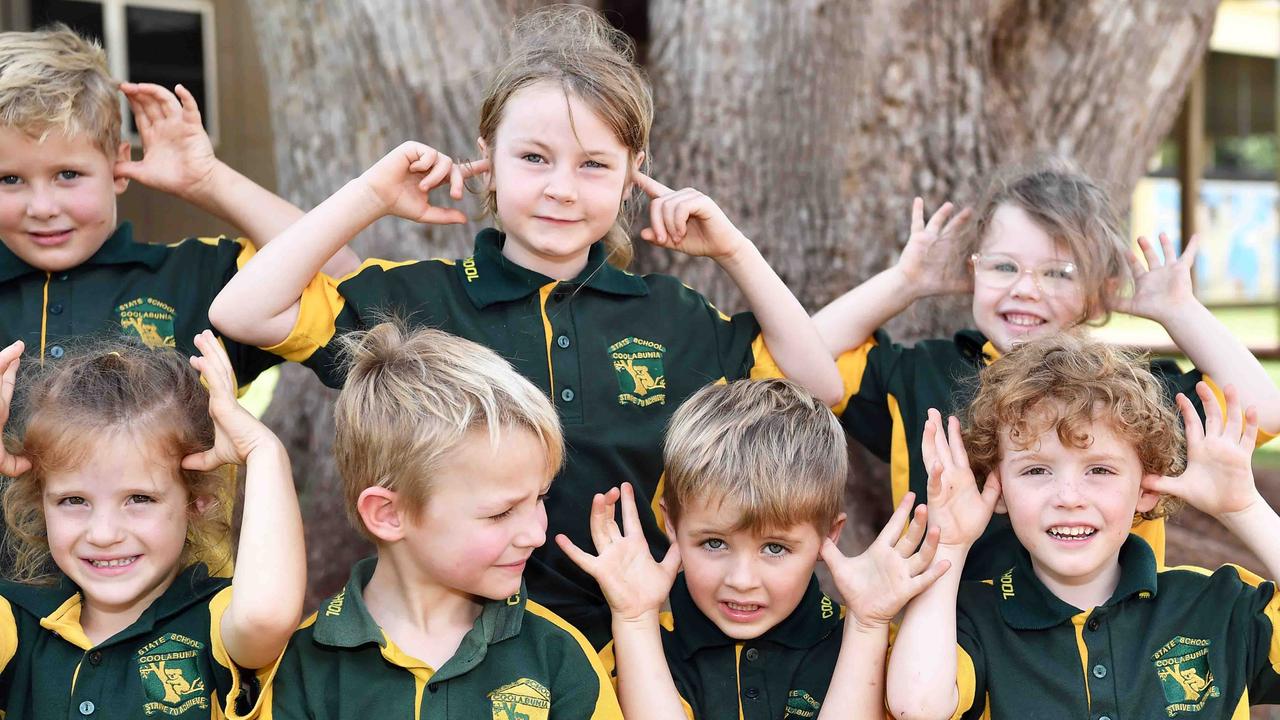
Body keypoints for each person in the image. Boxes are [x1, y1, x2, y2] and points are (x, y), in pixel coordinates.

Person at [209, 5, 839, 646]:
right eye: (534, 157)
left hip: (634, 650)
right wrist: (370, 194)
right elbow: (244, 311)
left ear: (633, 172)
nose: (562, 189)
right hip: (458, 649)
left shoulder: (670, 315)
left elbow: (819, 385)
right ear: (487, 154)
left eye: (594, 164)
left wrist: (735, 249)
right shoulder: (420, 301)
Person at [812, 160, 1280, 578]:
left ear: (1099, 290)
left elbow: (1265, 410)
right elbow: (803, 362)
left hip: (1113, 647)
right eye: (1003, 266)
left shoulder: (1131, 396)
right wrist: (905, 282)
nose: (1026, 289)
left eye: (1059, 273)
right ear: (972, 270)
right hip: (949, 647)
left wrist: (1177, 309)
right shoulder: (919, 373)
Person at [886, 333, 1280, 719]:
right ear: (999, 488)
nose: (1069, 497)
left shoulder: (1212, 603)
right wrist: (952, 546)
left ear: (1146, 486)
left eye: (1099, 469)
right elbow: (917, 708)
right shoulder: (968, 615)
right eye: (1037, 470)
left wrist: (1243, 509)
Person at [254, 323, 621, 719]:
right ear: (388, 514)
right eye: (500, 513)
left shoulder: (558, 656)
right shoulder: (308, 667)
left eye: (541, 498)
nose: (536, 533)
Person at [560, 379, 948, 719]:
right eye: (714, 543)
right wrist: (635, 620)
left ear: (828, 537)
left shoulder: (881, 649)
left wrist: (866, 626)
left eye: (775, 549)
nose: (741, 580)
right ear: (672, 526)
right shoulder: (637, 648)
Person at [0, 24, 358, 382]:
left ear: (117, 168)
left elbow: (337, 270)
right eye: (10, 179)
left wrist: (208, 180)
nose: (42, 207)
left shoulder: (194, 277)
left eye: (68, 175)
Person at [0, 330, 305, 718]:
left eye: (139, 499)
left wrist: (263, 451)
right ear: (40, 504)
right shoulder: (18, 620)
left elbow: (266, 618)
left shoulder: (214, 618)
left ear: (197, 502)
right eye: (73, 501)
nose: (104, 534)